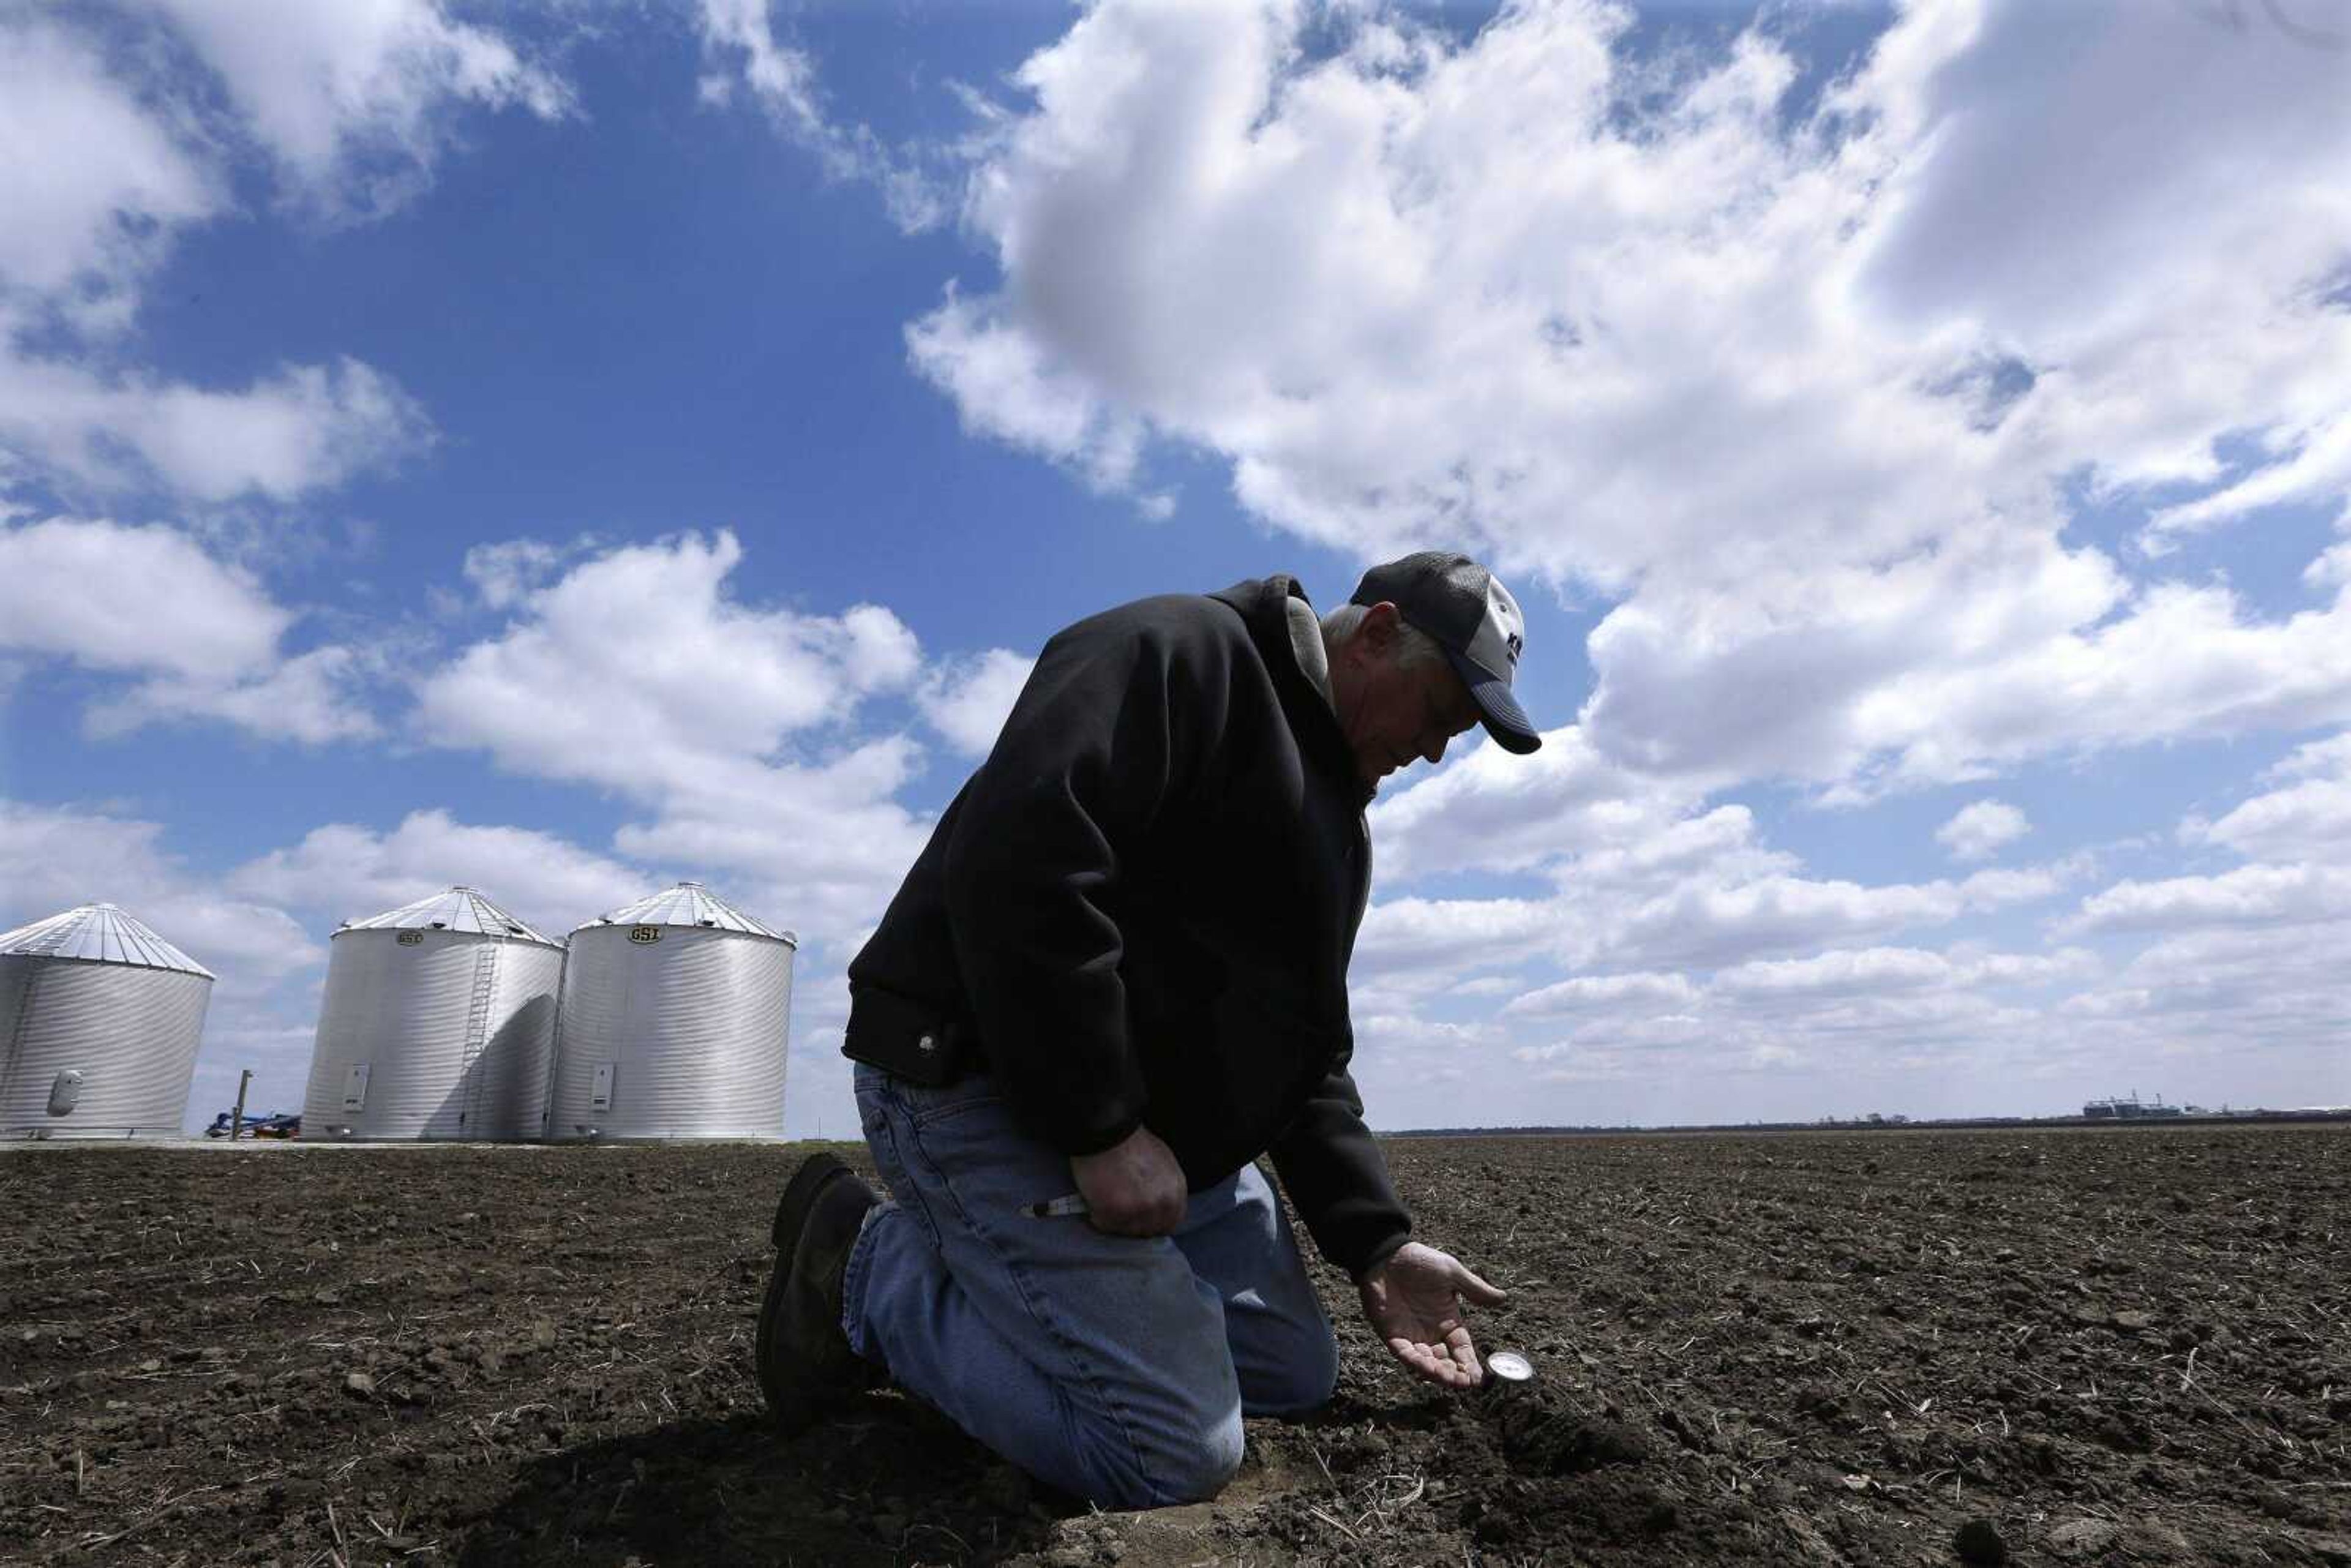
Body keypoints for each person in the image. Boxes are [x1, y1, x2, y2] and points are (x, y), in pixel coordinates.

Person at [756, 551, 1543, 1509]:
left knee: (1293, 1374)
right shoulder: (1180, 653)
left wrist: (1376, 1242)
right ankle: (863, 1266)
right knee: (1172, 1450)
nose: (1433, 752)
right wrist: (1100, 1126)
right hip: (982, 1084)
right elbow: (1021, 859)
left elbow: (1302, 1046)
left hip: (1155, 1140)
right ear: (1376, 633)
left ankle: (1080, 1310)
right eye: (1440, 714)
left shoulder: (1339, 823)